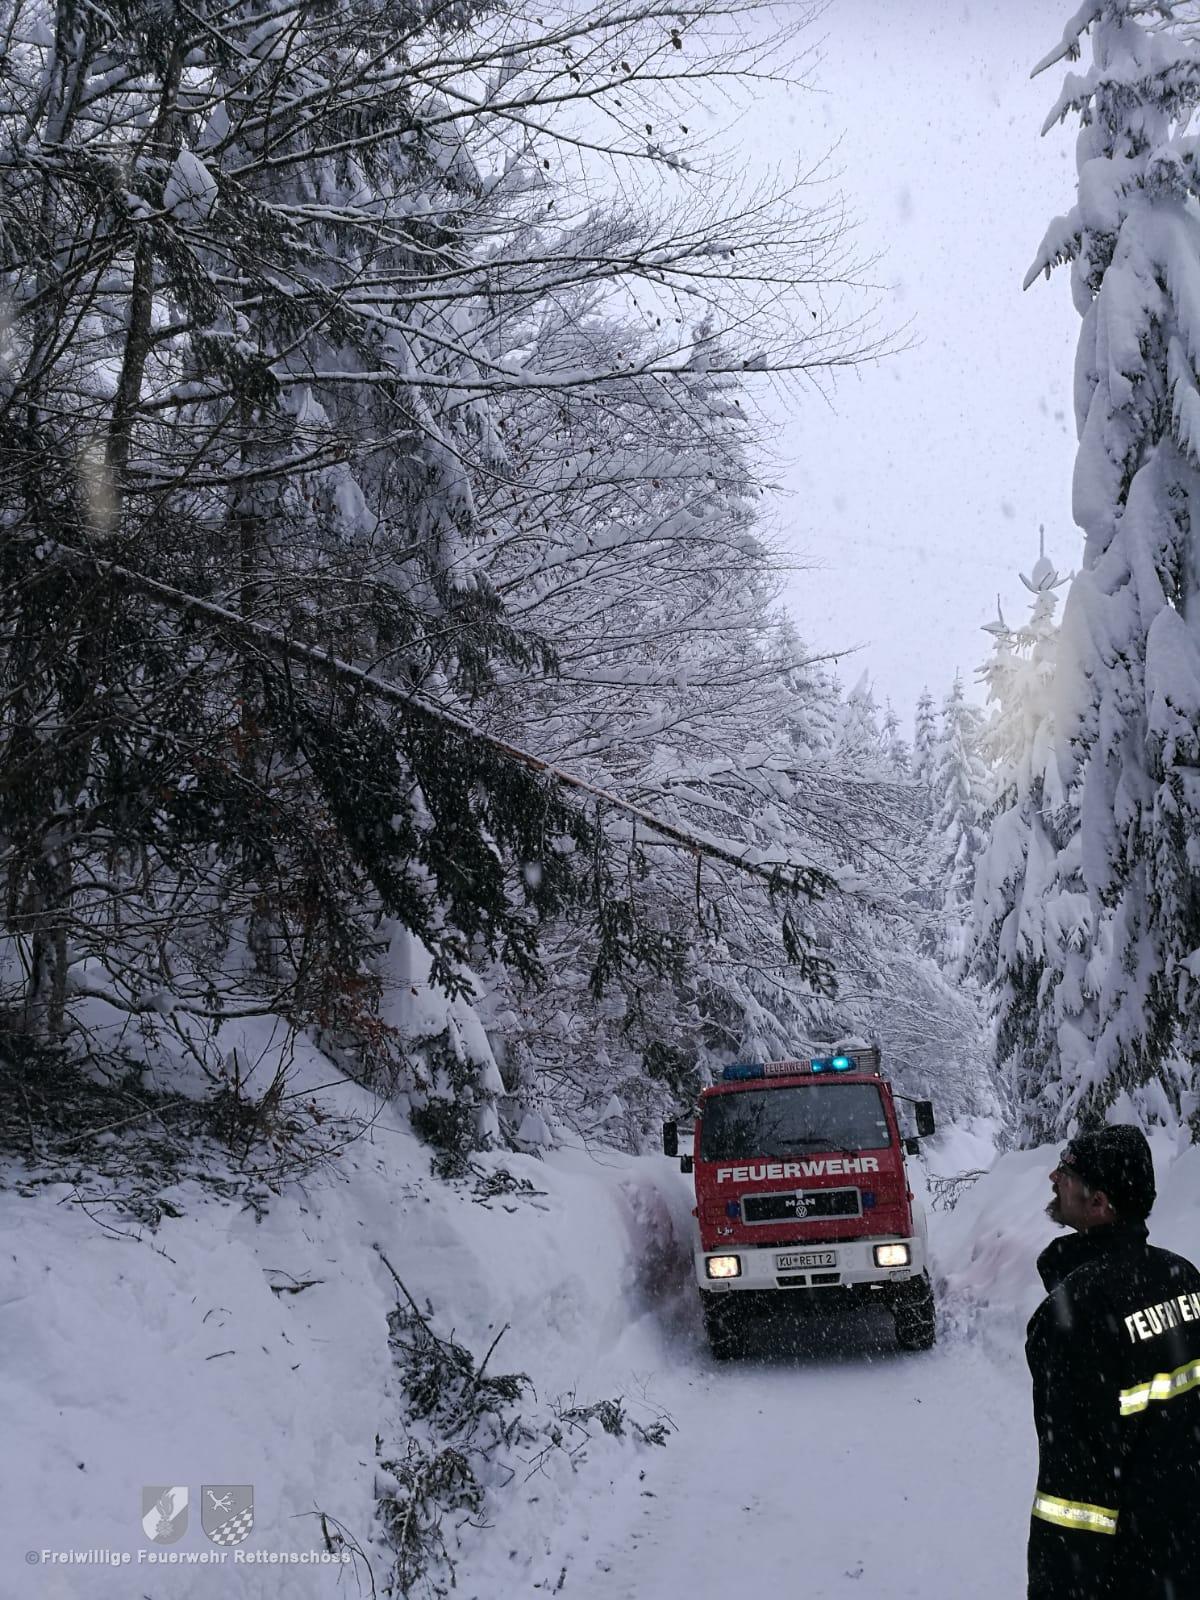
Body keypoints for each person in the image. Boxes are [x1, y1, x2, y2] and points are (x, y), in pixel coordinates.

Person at [1026, 1124, 1200, 1600]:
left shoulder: (1075, 1315)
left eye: (1066, 1173)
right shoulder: (1182, 1276)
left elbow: (1074, 1496)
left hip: (1132, 1572)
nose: (1053, 1178)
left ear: (1099, 1203)